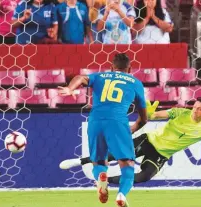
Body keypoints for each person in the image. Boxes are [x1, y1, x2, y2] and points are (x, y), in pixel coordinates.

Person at [60, 97, 201, 184]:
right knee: (112, 156)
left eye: (199, 109)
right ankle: (79, 161)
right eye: (194, 107)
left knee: (144, 177)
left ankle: (104, 180)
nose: (195, 110)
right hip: (149, 140)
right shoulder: (180, 112)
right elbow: (160, 115)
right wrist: (150, 113)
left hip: (161, 154)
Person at [58, 53, 148, 207]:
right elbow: (144, 118)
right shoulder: (135, 82)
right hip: (118, 121)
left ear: (111, 67)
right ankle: (121, 195)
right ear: (130, 68)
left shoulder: (100, 76)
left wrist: (69, 88)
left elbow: (80, 77)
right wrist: (134, 128)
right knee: (127, 163)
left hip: (96, 121)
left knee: (98, 161)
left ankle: (101, 176)